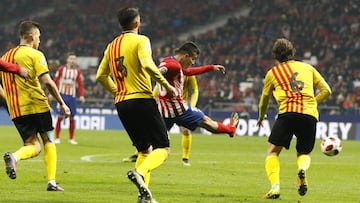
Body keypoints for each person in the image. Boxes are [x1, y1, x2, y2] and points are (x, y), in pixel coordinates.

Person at [96, 7, 177, 203]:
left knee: (144, 150)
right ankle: (139, 172)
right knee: (163, 148)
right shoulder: (142, 40)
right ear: (137, 23)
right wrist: (167, 86)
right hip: (141, 99)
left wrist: (117, 91)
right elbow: (148, 65)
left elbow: (100, 76)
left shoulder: (111, 46)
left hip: (122, 103)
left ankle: (144, 196)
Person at [256, 38, 331, 199]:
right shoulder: (308, 68)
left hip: (287, 114)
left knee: (272, 152)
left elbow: (264, 100)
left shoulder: (272, 73)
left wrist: (261, 117)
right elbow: (327, 91)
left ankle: (275, 188)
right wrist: (311, 103)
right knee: (303, 152)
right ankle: (302, 170)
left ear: (275, 55)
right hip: (309, 115)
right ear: (293, 52)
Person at [1, 20, 70, 191]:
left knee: (32, 145)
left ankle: (15, 157)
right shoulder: (35, 55)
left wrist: (7, 99)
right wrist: (62, 103)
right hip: (37, 105)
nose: (40, 41)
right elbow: (48, 83)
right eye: (39, 37)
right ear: (32, 37)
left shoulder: (5, 57)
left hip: (17, 110)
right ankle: (52, 182)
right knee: (48, 140)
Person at [155, 42, 240, 141]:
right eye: (193, 59)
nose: (193, 62)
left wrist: (211, 67)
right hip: (178, 110)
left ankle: (142, 154)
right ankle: (231, 129)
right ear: (186, 56)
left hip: (165, 111)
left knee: (157, 141)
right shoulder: (174, 66)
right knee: (206, 121)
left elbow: (188, 72)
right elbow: (154, 71)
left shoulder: (169, 61)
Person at [122, 75, 199, 166]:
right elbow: (158, 86)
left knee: (186, 130)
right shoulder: (169, 70)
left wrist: (192, 106)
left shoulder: (189, 75)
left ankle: (185, 158)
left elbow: (195, 90)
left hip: (181, 107)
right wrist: (152, 99)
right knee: (154, 131)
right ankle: (138, 154)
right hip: (166, 106)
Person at [52, 52, 85, 145]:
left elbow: (80, 84)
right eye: (71, 59)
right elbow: (55, 81)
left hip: (72, 97)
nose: (72, 61)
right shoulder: (61, 69)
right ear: (67, 60)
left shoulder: (77, 72)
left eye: (74, 59)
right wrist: (52, 93)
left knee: (72, 117)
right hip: (62, 96)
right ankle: (57, 138)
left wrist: (82, 95)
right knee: (60, 116)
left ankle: (71, 138)